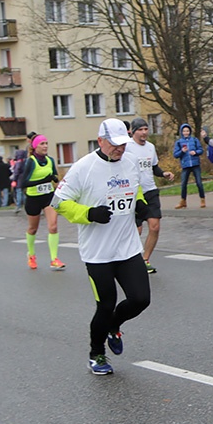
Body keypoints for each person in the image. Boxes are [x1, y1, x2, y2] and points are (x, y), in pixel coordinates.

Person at [52, 118, 152, 375]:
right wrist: (89, 214)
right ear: (100, 141)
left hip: (127, 247)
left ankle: (113, 326)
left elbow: (134, 189)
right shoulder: (82, 168)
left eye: (123, 144)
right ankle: (96, 353)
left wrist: (140, 203)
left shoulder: (129, 163)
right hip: (98, 253)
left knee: (141, 299)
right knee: (105, 305)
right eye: (115, 145)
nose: (120, 149)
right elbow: (60, 203)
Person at [124, 117, 174, 273]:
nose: (144, 132)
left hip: (150, 191)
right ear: (133, 131)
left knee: (155, 226)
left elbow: (154, 167)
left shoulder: (150, 147)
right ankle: (131, 259)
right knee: (136, 231)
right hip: (134, 193)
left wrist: (163, 173)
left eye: (146, 129)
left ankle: (145, 259)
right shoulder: (127, 147)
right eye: (140, 129)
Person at [21, 134, 65, 270]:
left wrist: (57, 181)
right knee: (33, 229)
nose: (45, 146)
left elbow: (54, 178)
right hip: (33, 199)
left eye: (46, 143)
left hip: (48, 197)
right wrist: (44, 180)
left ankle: (54, 259)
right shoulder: (31, 161)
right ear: (35, 147)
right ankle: (31, 255)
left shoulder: (50, 160)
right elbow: (24, 182)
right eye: (42, 144)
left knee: (53, 227)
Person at [173, 123, 206, 209]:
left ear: (190, 131)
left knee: (199, 182)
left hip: (195, 164)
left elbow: (201, 150)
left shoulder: (194, 140)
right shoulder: (179, 142)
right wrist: (182, 151)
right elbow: (175, 154)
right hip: (185, 165)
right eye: (184, 131)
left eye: (187, 131)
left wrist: (195, 152)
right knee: (183, 183)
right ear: (181, 132)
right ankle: (183, 201)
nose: (186, 132)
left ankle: (202, 199)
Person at [11, 148, 27, 214]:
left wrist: (14, 179)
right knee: (22, 193)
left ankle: (18, 206)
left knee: (19, 192)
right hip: (24, 179)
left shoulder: (18, 162)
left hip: (19, 179)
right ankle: (26, 204)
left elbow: (16, 172)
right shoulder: (25, 161)